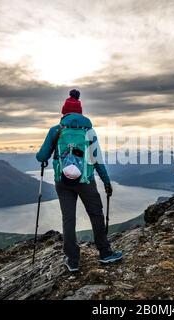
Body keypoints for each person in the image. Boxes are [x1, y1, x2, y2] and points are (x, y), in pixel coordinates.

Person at [36, 89, 122, 272]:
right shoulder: (89, 131)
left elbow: (41, 156)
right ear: (80, 112)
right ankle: (105, 253)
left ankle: (72, 261)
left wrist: (45, 155)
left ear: (64, 112)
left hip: (63, 182)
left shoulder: (56, 131)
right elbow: (97, 160)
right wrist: (106, 182)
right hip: (86, 181)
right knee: (96, 215)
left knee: (68, 219)